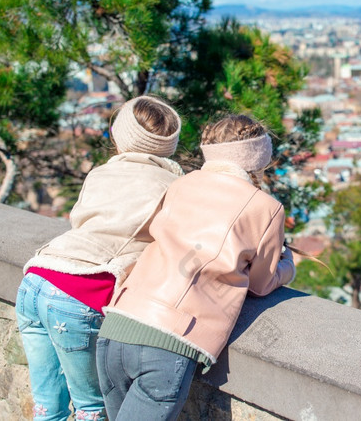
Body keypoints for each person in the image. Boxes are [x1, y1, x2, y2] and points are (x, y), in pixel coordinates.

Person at [96, 114, 296, 420]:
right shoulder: (265, 208)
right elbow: (260, 283)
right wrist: (287, 266)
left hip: (117, 325)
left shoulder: (181, 184)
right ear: (260, 155)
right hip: (169, 340)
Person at [16, 96, 183, 421]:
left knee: (47, 409)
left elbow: (80, 220)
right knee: (91, 410)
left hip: (36, 277)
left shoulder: (100, 173)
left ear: (119, 135)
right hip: (79, 295)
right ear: (170, 143)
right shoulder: (172, 186)